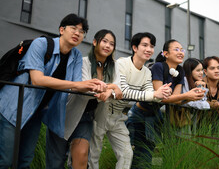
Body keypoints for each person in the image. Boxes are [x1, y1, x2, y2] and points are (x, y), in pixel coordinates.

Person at [0, 14, 106, 168]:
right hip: (12, 107)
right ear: (61, 30)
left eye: (82, 31)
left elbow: (76, 85)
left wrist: (94, 86)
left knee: (24, 160)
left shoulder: (75, 55)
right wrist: (78, 85)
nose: (78, 33)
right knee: (5, 160)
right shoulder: (41, 44)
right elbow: (37, 79)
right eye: (73, 28)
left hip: (36, 112)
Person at [89, 32, 171, 169]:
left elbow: (151, 94)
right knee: (94, 154)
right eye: (144, 45)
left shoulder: (147, 72)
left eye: (151, 46)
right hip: (102, 112)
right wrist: (154, 94)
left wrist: (163, 92)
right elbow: (124, 91)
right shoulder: (121, 63)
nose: (148, 49)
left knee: (126, 154)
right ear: (134, 48)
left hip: (118, 117)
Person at [45, 29, 123, 169]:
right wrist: (111, 88)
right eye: (104, 41)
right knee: (56, 162)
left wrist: (111, 90)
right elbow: (85, 87)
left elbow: (120, 88)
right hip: (64, 112)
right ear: (94, 42)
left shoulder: (114, 65)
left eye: (111, 44)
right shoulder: (83, 61)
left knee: (81, 156)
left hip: (86, 116)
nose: (107, 46)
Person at [126, 39, 204, 169]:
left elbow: (176, 99)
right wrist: (187, 96)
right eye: (176, 49)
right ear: (166, 54)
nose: (180, 52)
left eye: (182, 50)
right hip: (139, 114)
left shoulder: (180, 71)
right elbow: (160, 97)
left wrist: (192, 97)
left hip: (154, 116)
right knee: (139, 154)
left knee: (148, 152)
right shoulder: (158, 67)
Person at [182, 58, 210, 130]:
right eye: (198, 70)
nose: (201, 73)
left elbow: (203, 102)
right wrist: (203, 104)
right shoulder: (185, 80)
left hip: (192, 119)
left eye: (202, 70)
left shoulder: (197, 83)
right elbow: (189, 103)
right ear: (189, 71)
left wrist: (202, 88)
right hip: (181, 119)